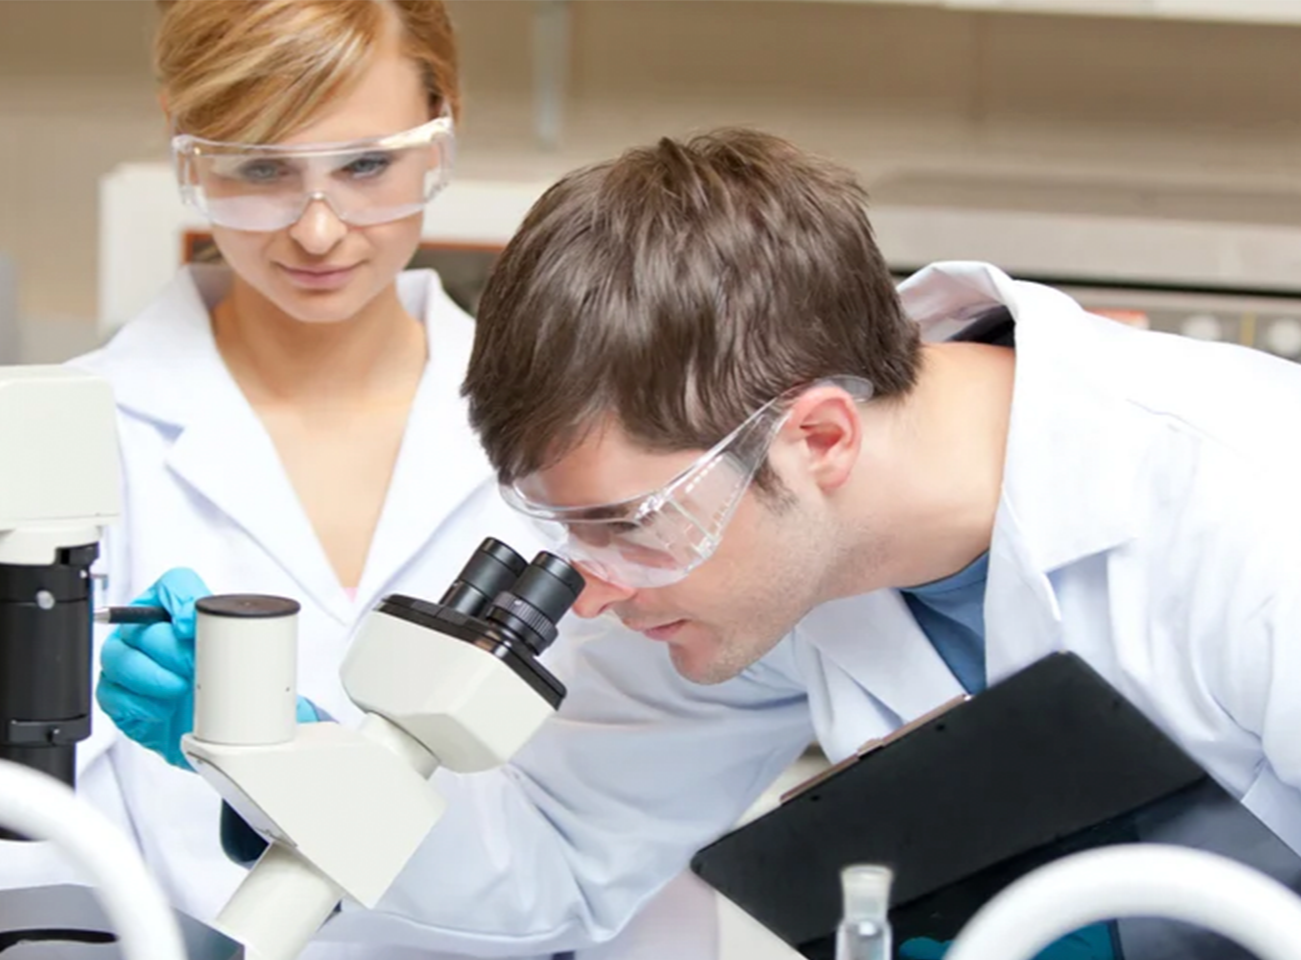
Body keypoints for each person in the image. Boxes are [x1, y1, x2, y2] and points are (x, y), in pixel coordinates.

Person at [98, 126, 1301, 957]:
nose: (591, 596)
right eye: (562, 533)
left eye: (623, 526)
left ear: (817, 438)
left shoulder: (1250, 516)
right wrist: (289, 767)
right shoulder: (755, 544)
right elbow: (561, 854)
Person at [0, 4, 719, 960]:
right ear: (185, 141)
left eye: (365, 167)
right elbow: (14, 859)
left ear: (446, 123)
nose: (317, 230)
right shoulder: (66, 432)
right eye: (261, 168)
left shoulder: (584, 438)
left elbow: (622, 848)